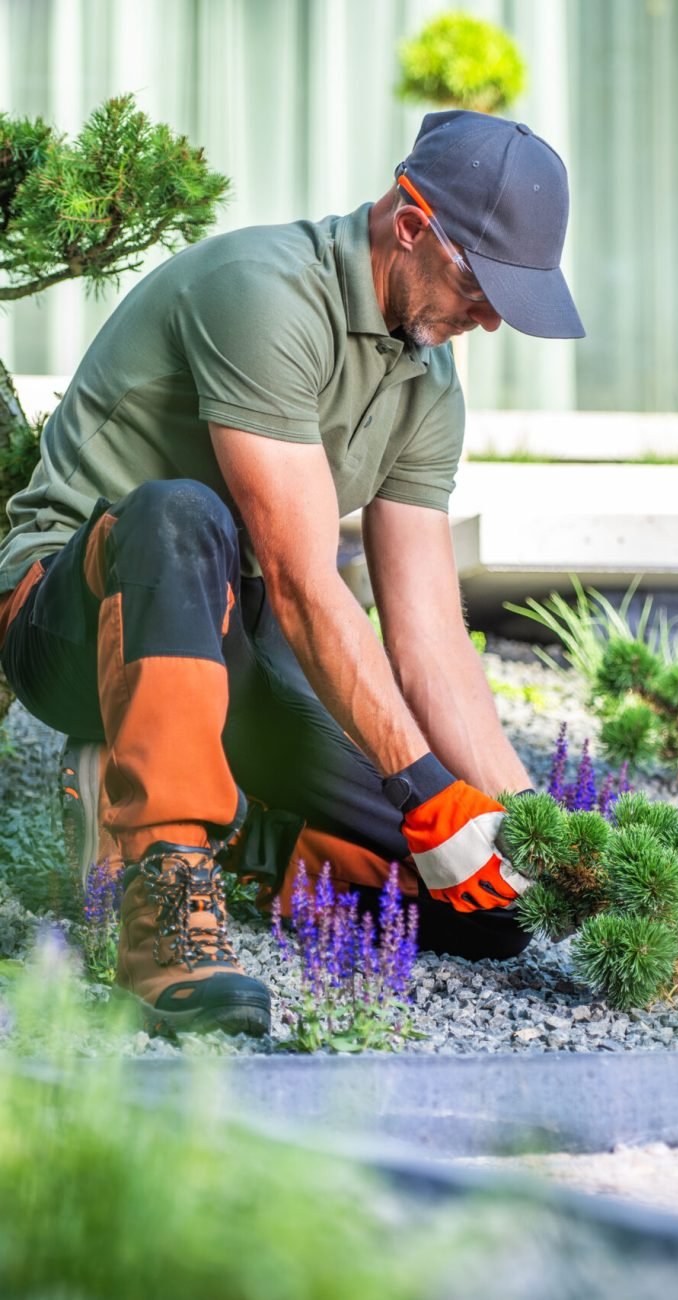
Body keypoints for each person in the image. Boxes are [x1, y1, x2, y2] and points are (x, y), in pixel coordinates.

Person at [0, 109, 584, 1038]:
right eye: (482, 284)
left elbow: (428, 631)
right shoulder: (265, 293)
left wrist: (537, 835)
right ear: (409, 223)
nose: (490, 318)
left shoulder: (427, 381)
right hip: (76, 615)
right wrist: (426, 788)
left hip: (239, 641)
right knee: (180, 509)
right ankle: (166, 886)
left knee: (483, 909)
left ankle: (242, 846)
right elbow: (304, 579)